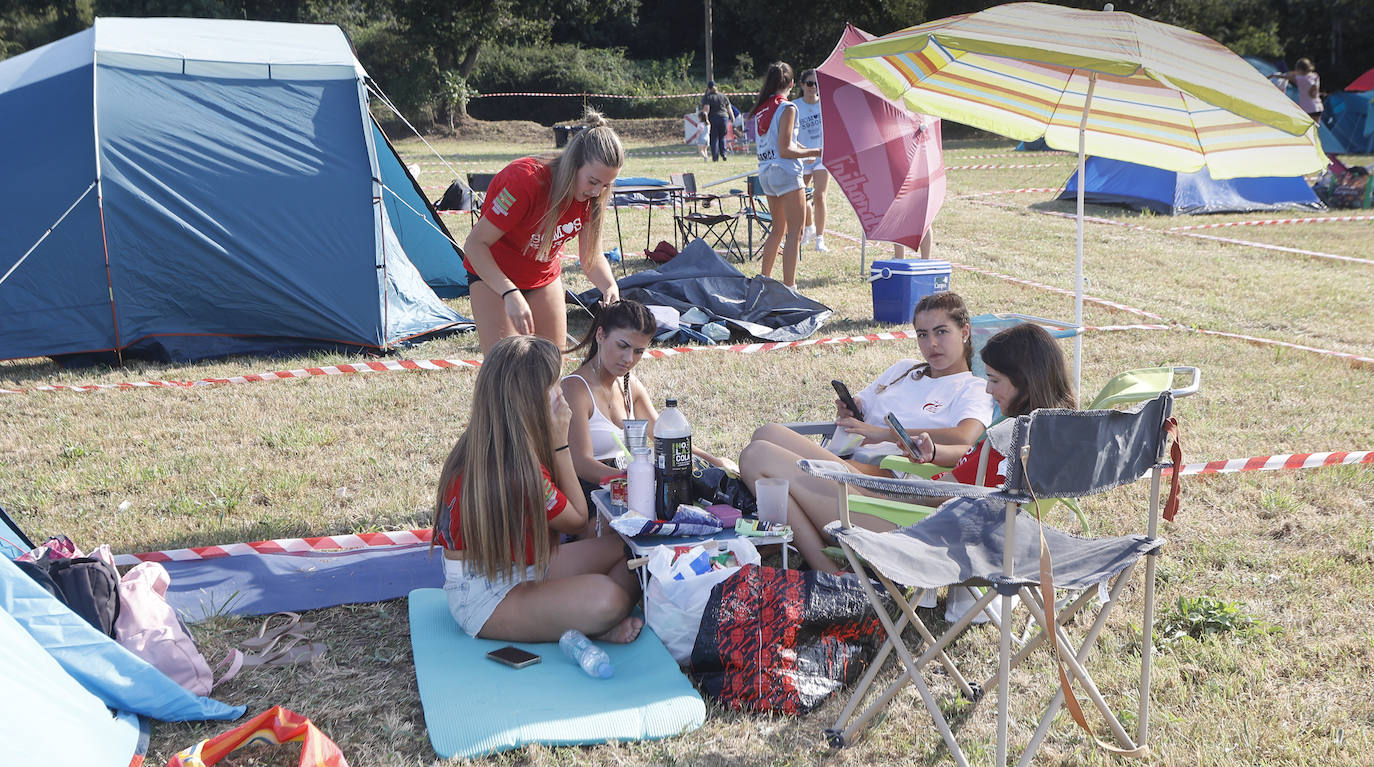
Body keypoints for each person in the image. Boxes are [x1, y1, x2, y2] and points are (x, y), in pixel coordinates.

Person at [738, 291, 995, 572]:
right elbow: (862, 414)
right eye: (922, 334)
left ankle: (828, 571)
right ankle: (821, 562)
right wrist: (851, 410)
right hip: (850, 470)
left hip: (888, 492)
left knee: (757, 456)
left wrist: (884, 433)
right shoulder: (905, 370)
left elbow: (964, 437)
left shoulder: (972, 387)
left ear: (965, 331)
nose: (931, 343)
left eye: (941, 332)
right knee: (766, 434)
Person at [433, 335, 642, 643]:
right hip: (487, 598)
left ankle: (574, 618)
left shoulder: (493, 442)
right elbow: (576, 519)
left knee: (630, 552)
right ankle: (589, 623)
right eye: (555, 385)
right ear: (531, 397)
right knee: (610, 599)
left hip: (523, 566)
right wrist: (560, 442)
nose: (562, 394)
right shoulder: (517, 467)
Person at [461, 110, 623, 353]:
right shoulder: (524, 180)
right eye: (592, 181)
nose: (597, 191)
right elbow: (475, 245)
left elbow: (591, 257)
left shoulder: (593, 199)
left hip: (541, 278)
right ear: (574, 164)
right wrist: (509, 292)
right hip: (493, 277)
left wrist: (609, 286)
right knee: (506, 367)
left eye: (606, 185)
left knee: (551, 366)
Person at [562, 300, 735, 522]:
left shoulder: (628, 383)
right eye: (622, 346)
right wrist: (637, 480)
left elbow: (664, 436)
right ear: (600, 335)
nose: (628, 359)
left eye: (638, 351)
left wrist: (715, 461)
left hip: (633, 485)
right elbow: (581, 463)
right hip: (592, 493)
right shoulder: (575, 388)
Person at [907, 322, 1077, 492]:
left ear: (1025, 383)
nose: (988, 389)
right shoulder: (1045, 431)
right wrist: (935, 452)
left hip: (937, 511)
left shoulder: (1004, 441)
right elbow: (976, 458)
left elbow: (937, 494)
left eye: (994, 380)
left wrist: (886, 493)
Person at [748, 62, 823, 289]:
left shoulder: (763, 108)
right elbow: (785, 150)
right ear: (792, 84)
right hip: (786, 173)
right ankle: (790, 288)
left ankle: (764, 281)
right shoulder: (788, 107)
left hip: (766, 174)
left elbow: (784, 140)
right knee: (795, 233)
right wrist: (814, 151)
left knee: (777, 229)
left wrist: (804, 150)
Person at [792, 69, 831, 253]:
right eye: (809, 83)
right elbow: (789, 135)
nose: (813, 87)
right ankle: (809, 227)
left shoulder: (825, 105)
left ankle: (820, 239)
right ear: (802, 85)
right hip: (802, 157)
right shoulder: (794, 106)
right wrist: (804, 152)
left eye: (816, 84)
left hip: (821, 157)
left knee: (820, 196)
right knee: (802, 196)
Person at [699, 81, 733, 162]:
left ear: (708, 88)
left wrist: (703, 119)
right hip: (724, 118)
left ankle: (715, 157)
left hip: (713, 119)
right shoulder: (723, 96)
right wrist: (732, 117)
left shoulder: (708, 97)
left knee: (714, 138)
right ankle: (724, 154)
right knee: (722, 137)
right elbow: (729, 108)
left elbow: (706, 109)